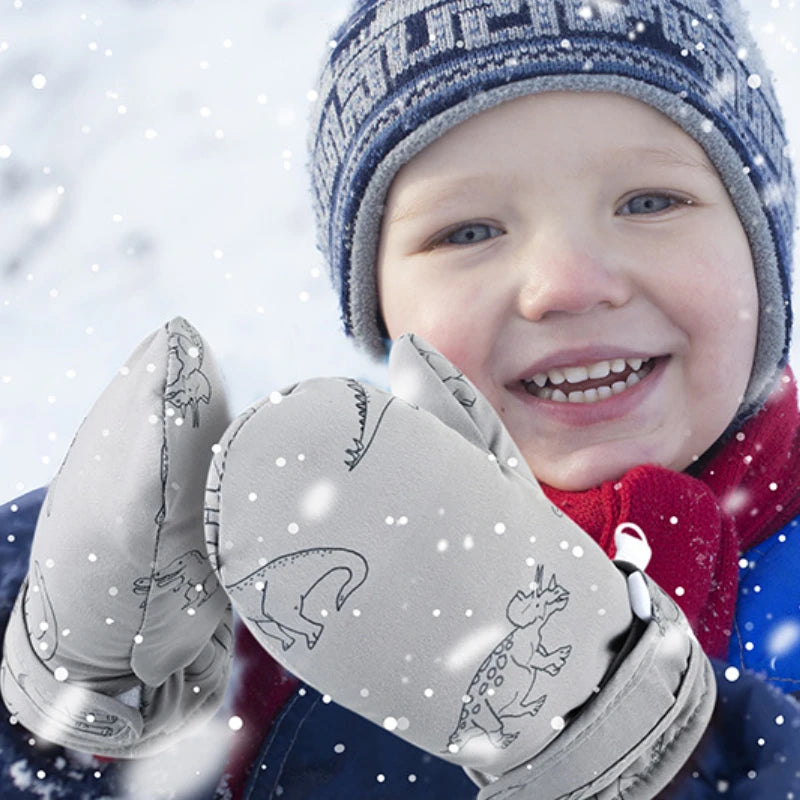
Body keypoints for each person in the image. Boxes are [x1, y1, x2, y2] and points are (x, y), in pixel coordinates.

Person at [2, 0, 800, 798]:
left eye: (650, 203)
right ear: (379, 307)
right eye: (469, 232)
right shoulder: (286, 569)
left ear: (764, 248)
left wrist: (653, 757)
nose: (566, 284)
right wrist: (57, 716)